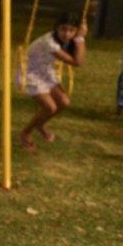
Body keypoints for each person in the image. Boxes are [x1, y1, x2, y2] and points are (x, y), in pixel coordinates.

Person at [19, 12, 86, 150]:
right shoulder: (49, 42)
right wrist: (80, 38)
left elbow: (79, 59)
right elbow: (77, 62)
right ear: (57, 28)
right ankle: (25, 132)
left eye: (71, 30)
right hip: (31, 74)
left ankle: (39, 124)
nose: (66, 34)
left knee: (64, 102)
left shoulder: (64, 41)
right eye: (63, 29)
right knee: (50, 107)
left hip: (46, 72)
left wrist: (78, 38)